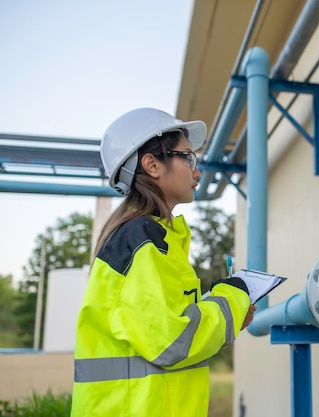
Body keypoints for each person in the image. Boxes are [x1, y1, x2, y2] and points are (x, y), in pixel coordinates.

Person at [70, 108, 257, 417]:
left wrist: (229, 316)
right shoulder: (142, 239)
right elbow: (172, 341)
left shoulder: (154, 239)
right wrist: (233, 297)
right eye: (188, 158)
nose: (196, 171)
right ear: (152, 165)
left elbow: (166, 331)